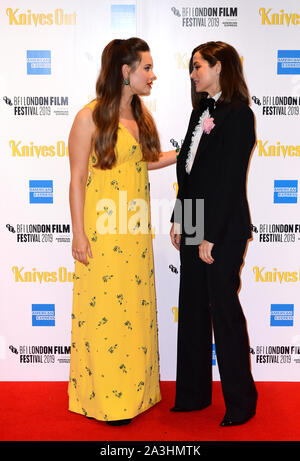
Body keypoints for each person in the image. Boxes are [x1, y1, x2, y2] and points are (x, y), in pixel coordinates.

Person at [68, 37, 176, 426]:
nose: (152, 75)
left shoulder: (141, 116)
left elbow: (143, 162)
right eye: (146, 68)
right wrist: (78, 234)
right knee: (106, 317)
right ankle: (108, 402)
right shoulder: (90, 117)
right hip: (100, 235)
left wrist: (188, 151)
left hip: (133, 233)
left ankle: (136, 394)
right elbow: (78, 177)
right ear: (124, 71)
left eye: (151, 67)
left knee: (134, 311)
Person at [170, 41, 257, 426]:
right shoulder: (198, 113)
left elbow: (228, 181)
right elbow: (189, 174)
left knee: (223, 310)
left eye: (198, 66)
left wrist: (212, 236)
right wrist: (179, 218)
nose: (192, 74)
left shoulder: (240, 115)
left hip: (221, 227)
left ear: (219, 67)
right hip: (192, 220)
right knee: (190, 307)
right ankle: (192, 396)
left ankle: (241, 402)